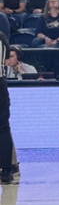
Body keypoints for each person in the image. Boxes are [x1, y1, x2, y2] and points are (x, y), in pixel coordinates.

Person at [0, 31, 15, 182]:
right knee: (3, 126)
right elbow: (6, 60)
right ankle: (6, 170)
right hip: (0, 83)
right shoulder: (2, 37)